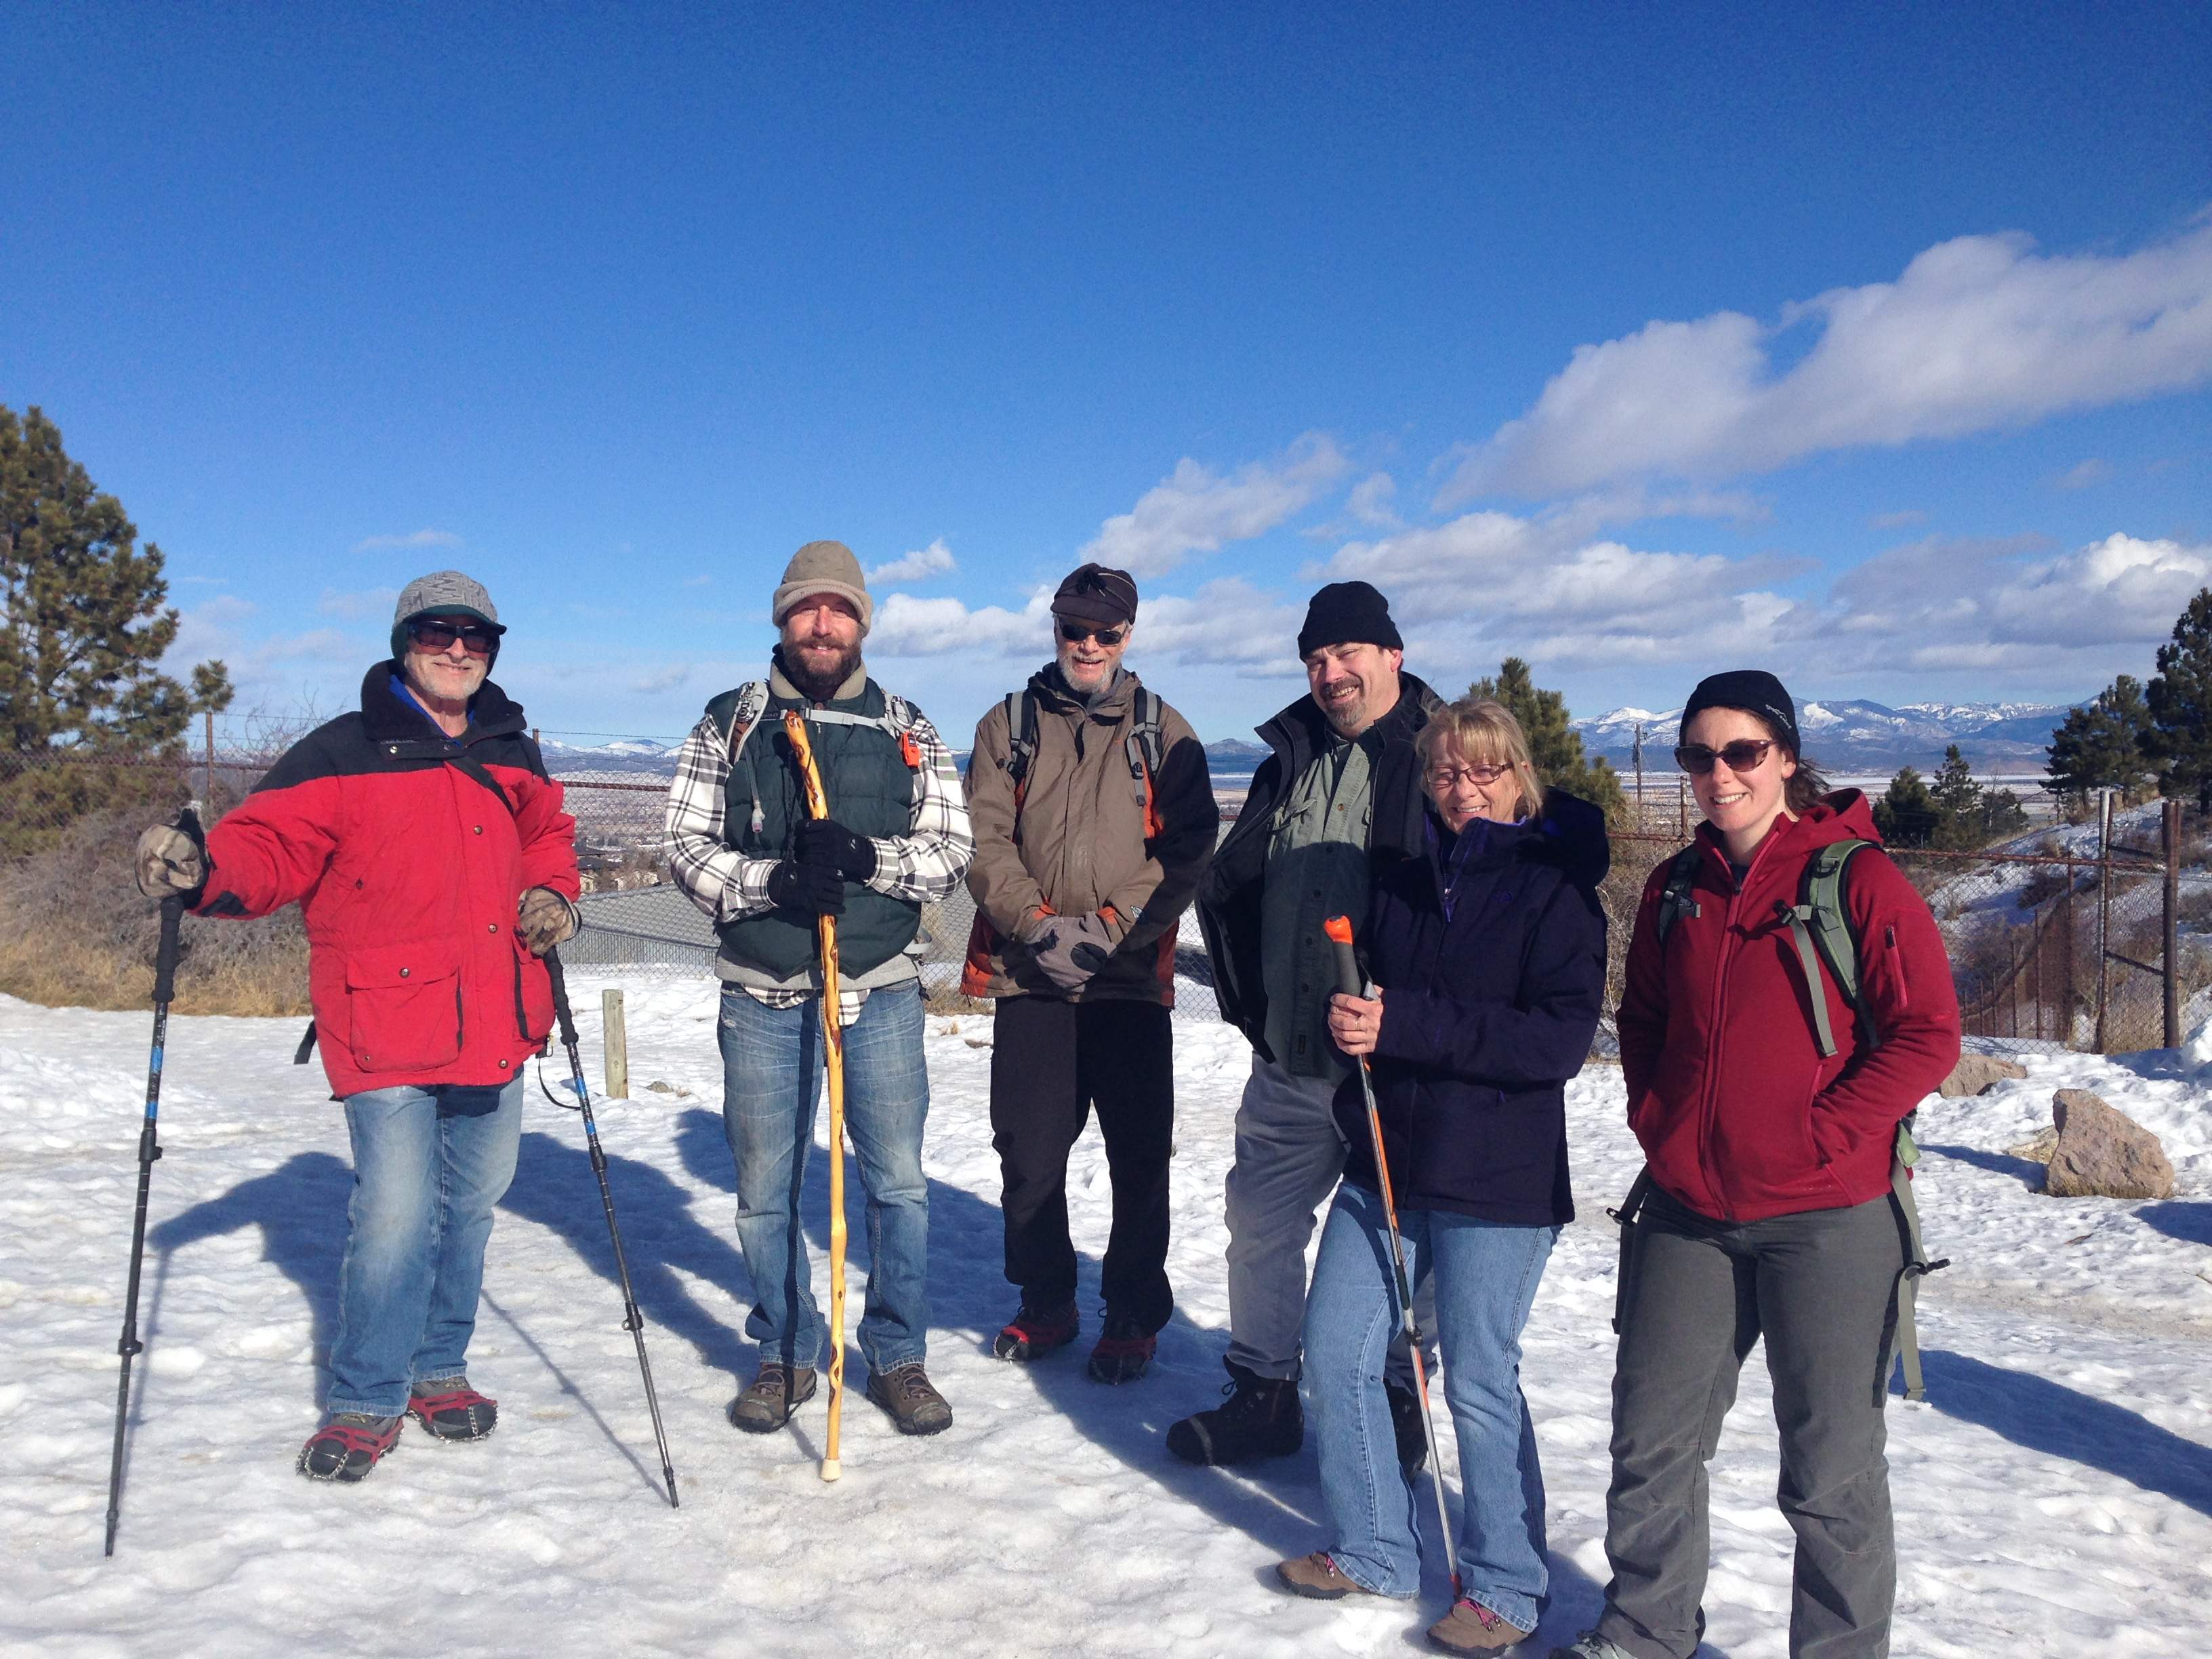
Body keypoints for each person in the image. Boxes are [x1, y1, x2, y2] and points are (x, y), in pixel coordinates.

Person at [132, 571, 580, 1483]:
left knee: (470, 1210)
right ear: (402, 641)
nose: (459, 650)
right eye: (438, 633)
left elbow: (548, 836)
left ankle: (440, 1367)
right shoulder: (342, 752)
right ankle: (368, 1395)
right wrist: (203, 868)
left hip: (499, 1014)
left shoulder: (513, 749)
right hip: (384, 1022)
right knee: (393, 1214)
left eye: (477, 636)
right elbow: (270, 847)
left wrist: (552, 893)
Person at [1553, 670, 1960, 1659]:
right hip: (1690, 1209)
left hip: (1829, 1218)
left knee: (1829, 1476)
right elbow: (1643, 1019)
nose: (1718, 774)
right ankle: (1645, 1632)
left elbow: (1927, 1037)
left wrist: (1825, 1135)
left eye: (1741, 752)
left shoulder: (1856, 878)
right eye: (1700, 756)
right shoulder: (1676, 888)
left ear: (1784, 756)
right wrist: (1661, 1121)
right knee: (1651, 1444)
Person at [1273, 697, 1607, 1653]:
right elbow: (1380, 1009)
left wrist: (1405, 1023)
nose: (1464, 790)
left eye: (1484, 771)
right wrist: (1356, 1030)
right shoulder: (1406, 885)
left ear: (1519, 778)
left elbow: (1557, 1041)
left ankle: (1505, 1585)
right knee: (1335, 1353)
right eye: (1448, 774)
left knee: (1478, 1384)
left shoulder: (1557, 894)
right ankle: (1376, 1544)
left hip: (1496, 1177)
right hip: (1388, 1162)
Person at [665, 539, 974, 1438]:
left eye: (839, 608)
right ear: (781, 619)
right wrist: (772, 885)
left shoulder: (906, 728)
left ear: (862, 621)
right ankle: (788, 1353)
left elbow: (951, 849)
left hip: (875, 987)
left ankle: (897, 1356)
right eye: (806, 608)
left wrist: (869, 859)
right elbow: (686, 847)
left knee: (898, 1186)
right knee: (768, 1189)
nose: (823, 624)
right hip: (762, 991)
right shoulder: (729, 722)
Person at [1176, 580, 1441, 1467]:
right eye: (1317, 659)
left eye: (1348, 655)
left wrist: (1421, 1018)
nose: (1331, 674)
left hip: (1395, 1065)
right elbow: (1244, 882)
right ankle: (1265, 1392)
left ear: (1391, 655)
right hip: (1292, 1055)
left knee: (1407, 1240)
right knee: (1259, 1223)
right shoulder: (1288, 758)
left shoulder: (1443, 757)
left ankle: (1404, 1401)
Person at [962, 562, 1216, 1384]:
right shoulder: (1009, 726)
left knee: (1138, 1154)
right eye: (1076, 628)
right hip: (1031, 973)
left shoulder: (1164, 732)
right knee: (1030, 1151)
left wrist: (1109, 929)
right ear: (1056, 628)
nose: (1089, 645)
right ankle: (1048, 1299)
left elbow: (1185, 849)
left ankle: (1133, 1308)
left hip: (1128, 976)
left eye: (1106, 632)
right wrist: (1037, 926)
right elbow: (984, 838)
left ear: (1129, 636)